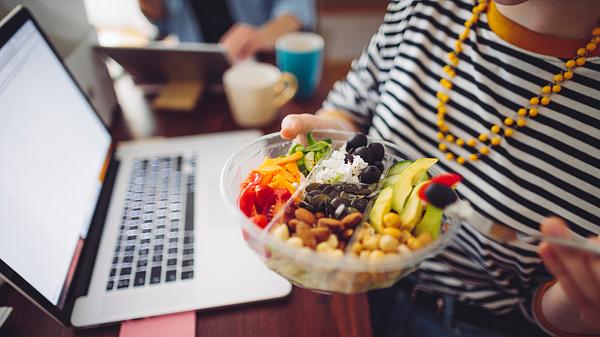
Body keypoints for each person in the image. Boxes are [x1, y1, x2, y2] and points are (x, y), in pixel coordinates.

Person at [280, 0, 600, 336]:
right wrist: (327, 140)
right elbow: (351, 108)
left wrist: (580, 303)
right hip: (363, 290)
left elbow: (549, 301)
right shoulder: (425, 7)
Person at [138, 0, 316, 62]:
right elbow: (162, 23)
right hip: (198, 78)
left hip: (260, 64)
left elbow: (297, 8)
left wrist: (264, 35)